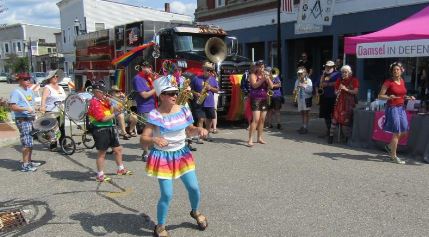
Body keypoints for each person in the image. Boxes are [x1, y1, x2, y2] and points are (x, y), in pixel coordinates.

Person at [140, 73, 209, 237]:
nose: (175, 96)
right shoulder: (154, 115)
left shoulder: (184, 109)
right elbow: (143, 140)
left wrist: (199, 130)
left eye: (176, 92)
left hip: (182, 154)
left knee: (194, 188)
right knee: (167, 194)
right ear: (161, 96)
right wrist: (154, 139)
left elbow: (189, 130)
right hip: (163, 157)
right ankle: (160, 226)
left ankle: (195, 211)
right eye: (170, 93)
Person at [87, 84, 132, 182]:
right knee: (102, 153)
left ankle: (121, 169)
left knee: (118, 149)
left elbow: (113, 109)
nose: (105, 94)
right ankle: (100, 175)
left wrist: (117, 104)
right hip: (100, 129)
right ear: (96, 92)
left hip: (110, 127)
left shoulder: (103, 101)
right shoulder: (94, 102)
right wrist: (115, 113)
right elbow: (102, 119)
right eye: (103, 92)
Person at [378, 62, 415, 164]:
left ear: (401, 71)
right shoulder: (388, 82)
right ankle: (393, 156)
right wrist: (389, 97)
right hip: (392, 108)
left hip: (401, 108)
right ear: (392, 71)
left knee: (405, 132)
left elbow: (402, 95)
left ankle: (389, 146)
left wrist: (408, 97)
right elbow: (380, 96)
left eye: (397, 69)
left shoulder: (402, 81)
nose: (396, 71)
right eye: (394, 70)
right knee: (397, 132)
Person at [9, 73, 41, 172]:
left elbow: (31, 105)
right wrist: (25, 109)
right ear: (20, 80)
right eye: (25, 79)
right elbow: (13, 107)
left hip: (30, 119)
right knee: (26, 143)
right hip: (23, 120)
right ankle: (25, 165)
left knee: (30, 142)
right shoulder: (16, 92)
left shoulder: (30, 91)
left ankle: (29, 161)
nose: (28, 81)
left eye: (29, 79)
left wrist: (37, 108)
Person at [328, 65, 359, 144]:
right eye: (343, 72)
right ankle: (330, 136)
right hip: (340, 102)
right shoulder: (339, 80)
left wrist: (346, 89)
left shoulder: (354, 80)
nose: (344, 74)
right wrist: (338, 91)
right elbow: (335, 92)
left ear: (349, 73)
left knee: (346, 121)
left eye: (346, 72)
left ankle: (347, 138)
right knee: (334, 119)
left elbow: (355, 91)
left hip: (349, 103)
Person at [133, 61, 157, 161]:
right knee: (146, 132)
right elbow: (144, 95)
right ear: (142, 67)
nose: (150, 69)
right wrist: (156, 88)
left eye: (150, 67)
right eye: (148, 67)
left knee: (154, 131)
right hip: (144, 108)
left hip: (154, 107)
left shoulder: (149, 78)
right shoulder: (138, 78)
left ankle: (152, 151)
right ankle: (145, 152)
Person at [190, 61, 219, 143]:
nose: (209, 72)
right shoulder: (196, 78)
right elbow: (191, 90)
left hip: (209, 103)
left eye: (210, 70)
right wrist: (196, 94)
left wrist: (210, 88)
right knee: (201, 119)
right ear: (204, 70)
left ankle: (207, 134)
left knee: (209, 119)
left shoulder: (213, 79)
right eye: (208, 70)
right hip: (200, 102)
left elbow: (217, 90)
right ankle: (199, 136)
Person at [247, 60, 274, 147]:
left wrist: (268, 78)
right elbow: (254, 85)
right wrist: (263, 79)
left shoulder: (265, 75)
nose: (261, 68)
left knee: (262, 120)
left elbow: (271, 86)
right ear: (256, 67)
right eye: (259, 66)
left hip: (264, 99)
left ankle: (259, 138)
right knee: (256, 120)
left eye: (262, 66)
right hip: (255, 99)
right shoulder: (252, 75)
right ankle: (250, 139)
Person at [40, 69, 67, 151]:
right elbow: (43, 99)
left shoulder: (61, 87)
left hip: (60, 110)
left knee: (62, 128)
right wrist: (42, 107)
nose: (56, 77)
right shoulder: (47, 87)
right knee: (53, 129)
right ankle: (53, 145)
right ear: (50, 78)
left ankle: (63, 144)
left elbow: (65, 98)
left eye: (57, 76)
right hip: (51, 111)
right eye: (54, 76)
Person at [317, 60, 341, 137]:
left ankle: (340, 132)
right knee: (326, 115)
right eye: (327, 66)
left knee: (335, 115)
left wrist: (327, 84)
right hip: (324, 97)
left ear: (333, 67)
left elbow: (339, 83)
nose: (328, 68)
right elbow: (318, 84)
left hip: (334, 97)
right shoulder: (323, 74)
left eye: (330, 66)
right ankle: (329, 130)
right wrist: (320, 83)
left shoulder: (337, 74)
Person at [294, 67, 313, 134]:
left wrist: (303, 86)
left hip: (306, 99)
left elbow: (310, 91)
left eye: (301, 73)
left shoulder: (308, 80)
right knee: (302, 113)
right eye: (298, 73)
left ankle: (305, 127)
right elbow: (295, 90)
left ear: (304, 73)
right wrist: (295, 92)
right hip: (300, 99)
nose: (299, 75)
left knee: (306, 113)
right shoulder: (297, 81)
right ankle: (303, 126)